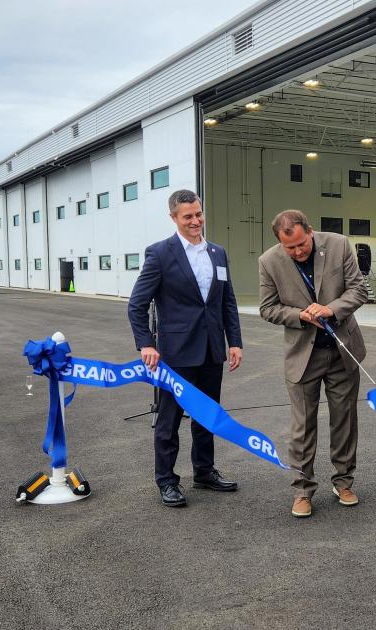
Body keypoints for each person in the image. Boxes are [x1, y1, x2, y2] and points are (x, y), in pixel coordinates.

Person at [127, 189, 243, 507]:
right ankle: (167, 480)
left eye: (198, 214)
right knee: (169, 419)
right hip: (175, 354)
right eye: (188, 216)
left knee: (207, 415)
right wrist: (146, 345)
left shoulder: (217, 253)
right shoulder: (160, 254)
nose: (195, 221)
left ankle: (204, 472)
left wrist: (234, 342)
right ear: (174, 218)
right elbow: (137, 305)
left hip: (210, 351)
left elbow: (227, 302)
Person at [259, 210, 368, 519]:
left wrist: (331, 309)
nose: (297, 252)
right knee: (302, 428)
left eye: (301, 245)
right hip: (302, 355)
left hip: (342, 350)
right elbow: (268, 309)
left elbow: (358, 290)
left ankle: (344, 482)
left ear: (310, 231)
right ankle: (303, 490)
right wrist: (300, 315)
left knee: (344, 420)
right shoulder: (269, 262)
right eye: (289, 248)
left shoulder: (338, 244)